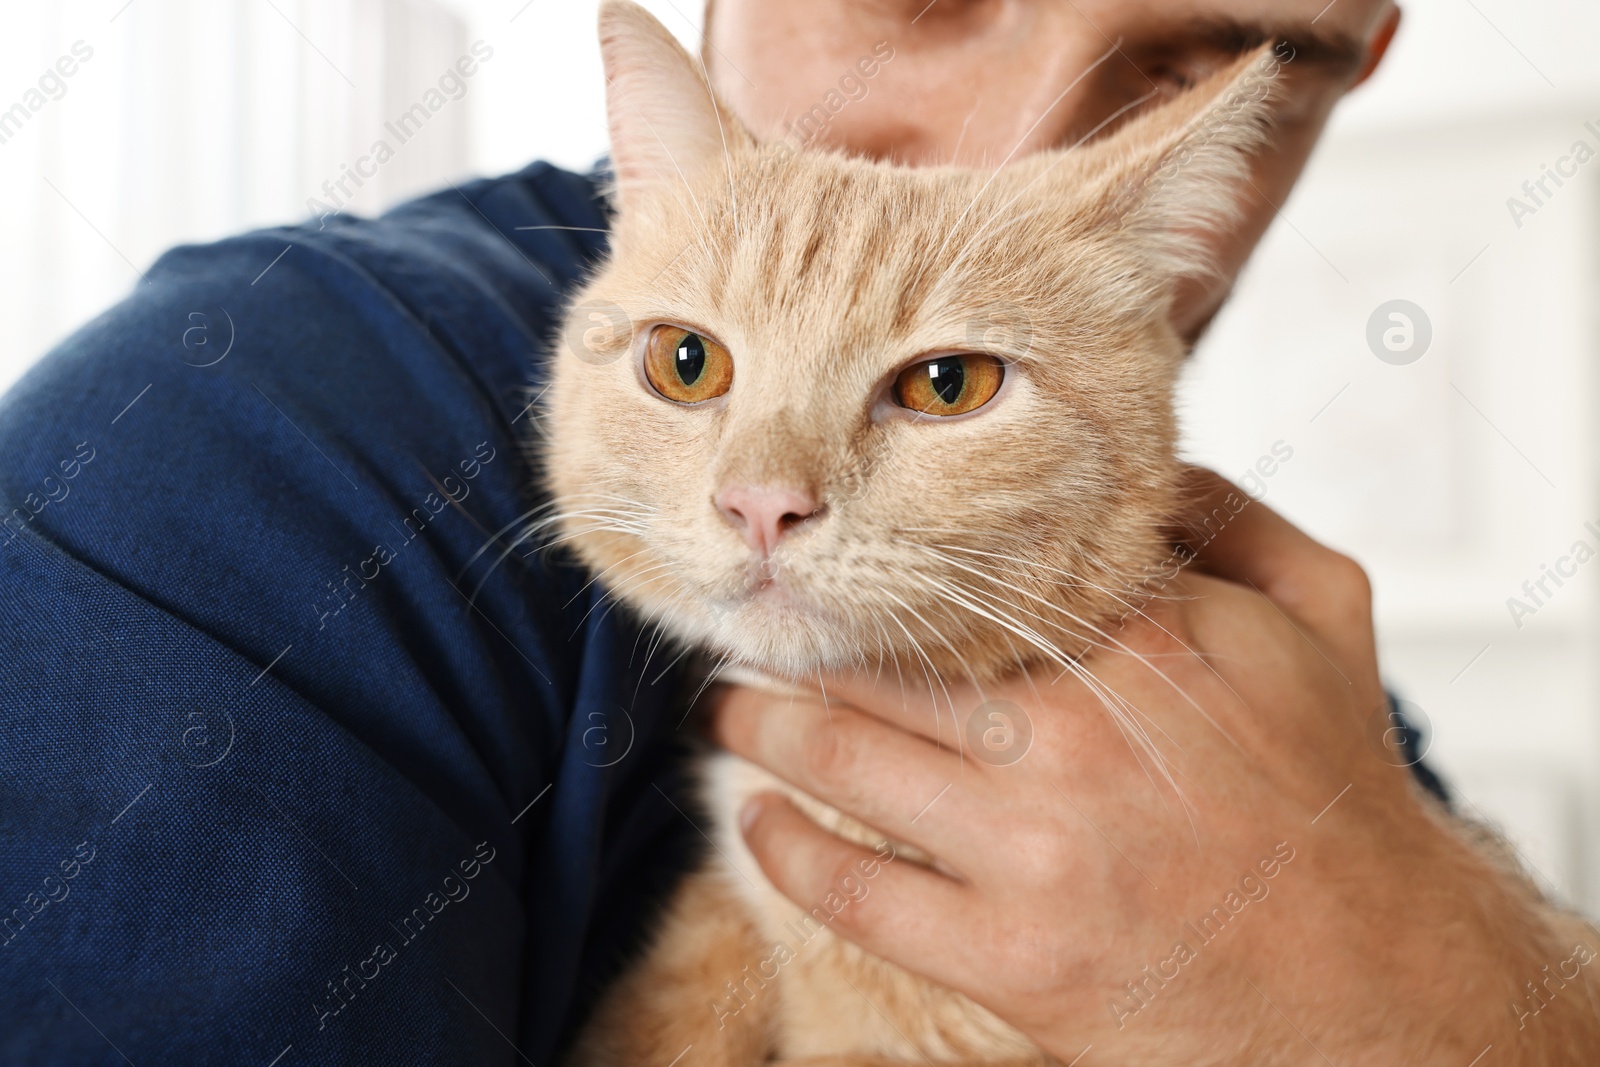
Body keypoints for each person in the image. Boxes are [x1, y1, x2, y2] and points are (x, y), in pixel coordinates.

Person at [0, 5, 1590, 1067]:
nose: (1011, 150)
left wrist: (1454, 978)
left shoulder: (1277, 696)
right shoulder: (217, 458)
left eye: (1193, 61)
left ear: (1350, 56)